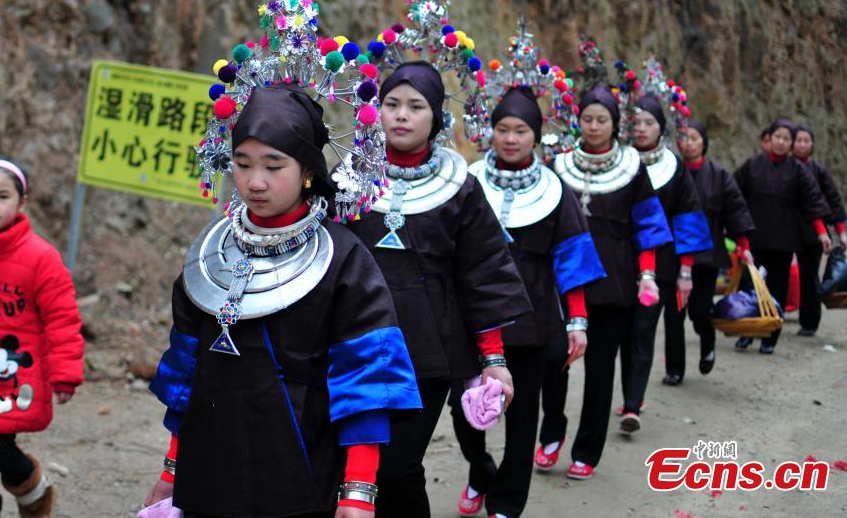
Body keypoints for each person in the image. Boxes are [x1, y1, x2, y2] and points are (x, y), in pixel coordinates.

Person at [143, 85, 422, 518]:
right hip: (209, 466)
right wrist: (172, 467)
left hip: (301, 466)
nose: (255, 182)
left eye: (274, 166)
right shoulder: (208, 256)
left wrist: (358, 492)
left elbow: (366, 380)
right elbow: (189, 375)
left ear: (308, 171)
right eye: (242, 164)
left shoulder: (345, 260)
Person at [344, 61, 532, 516]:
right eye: (391, 104)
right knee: (348, 470)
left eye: (415, 106)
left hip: (427, 353)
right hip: (351, 345)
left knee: (397, 468)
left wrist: (493, 360)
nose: (401, 115)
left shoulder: (461, 190)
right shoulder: (346, 179)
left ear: (437, 119)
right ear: (376, 111)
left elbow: (482, 275)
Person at [451, 85, 605, 518]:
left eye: (520, 130)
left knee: (522, 417)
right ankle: (480, 470)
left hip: (532, 314)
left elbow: (572, 260)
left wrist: (578, 321)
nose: (510, 138)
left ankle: (507, 501)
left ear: (535, 136)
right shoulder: (467, 179)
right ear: (491, 132)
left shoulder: (556, 189)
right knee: (464, 413)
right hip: (471, 317)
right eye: (502, 129)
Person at [550, 48, 673, 479]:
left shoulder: (632, 166)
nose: (595, 126)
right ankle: (552, 432)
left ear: (614, 124)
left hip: (614, 282)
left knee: (600, 373)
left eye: (603, 119)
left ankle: (587, 451)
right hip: (562, 283)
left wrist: (648, 275)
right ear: (578, 121)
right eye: (588, 119)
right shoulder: (558, 166)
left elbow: (649, 226)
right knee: (554, 368)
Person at [0, 158, 84, 517]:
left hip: (13, 374)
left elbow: (62, 318)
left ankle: (34, 489)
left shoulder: (41, 257)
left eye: (2, 196)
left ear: (21, 203)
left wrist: (65, 372)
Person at [620, 95, 712, 427]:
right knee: (625, 333)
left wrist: (686, 270)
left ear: (661, 128)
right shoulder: (616, 162)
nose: (641, 129)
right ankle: (632, 392)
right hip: (620, 263)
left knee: (644, 329)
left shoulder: (674, 168)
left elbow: (688, 219)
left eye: (649, 123)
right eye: (636, 122)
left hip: (662, 265)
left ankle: (631, 403)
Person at [733, 118, 832, 353]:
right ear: (769, 140)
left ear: (791, 144)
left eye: (787, 139)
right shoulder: (752, 166)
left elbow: (812, 201)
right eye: (777, 137)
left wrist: (822, 232)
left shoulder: (798, 171)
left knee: (777, 290)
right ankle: (746, 332)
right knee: (751, 288)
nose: (781, 142)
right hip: (754, 240)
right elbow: (733, 196)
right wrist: (735, 232)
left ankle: (770, 337)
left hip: (784, 242)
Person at [674, 120, 755, 376]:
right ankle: (674, 369)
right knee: (673, 315)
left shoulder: (719, 175)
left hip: (707, 254)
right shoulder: (671, 172)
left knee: (699, 311)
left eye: (695, 137)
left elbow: (735, 211)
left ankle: (707, 342)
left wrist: (743, 246)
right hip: (673, 253)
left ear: (704, 142)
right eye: (684, 137)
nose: (690, 143)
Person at [792, 125, 847, 336]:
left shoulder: (818, 171)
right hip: (784, 231)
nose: (803, 144)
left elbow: (833, 201)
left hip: (812, 233)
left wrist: (840, 231)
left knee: (809, 277)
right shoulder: (783, 168)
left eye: (807, 141)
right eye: (799, 140)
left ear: (812, 144)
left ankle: (809, 321)